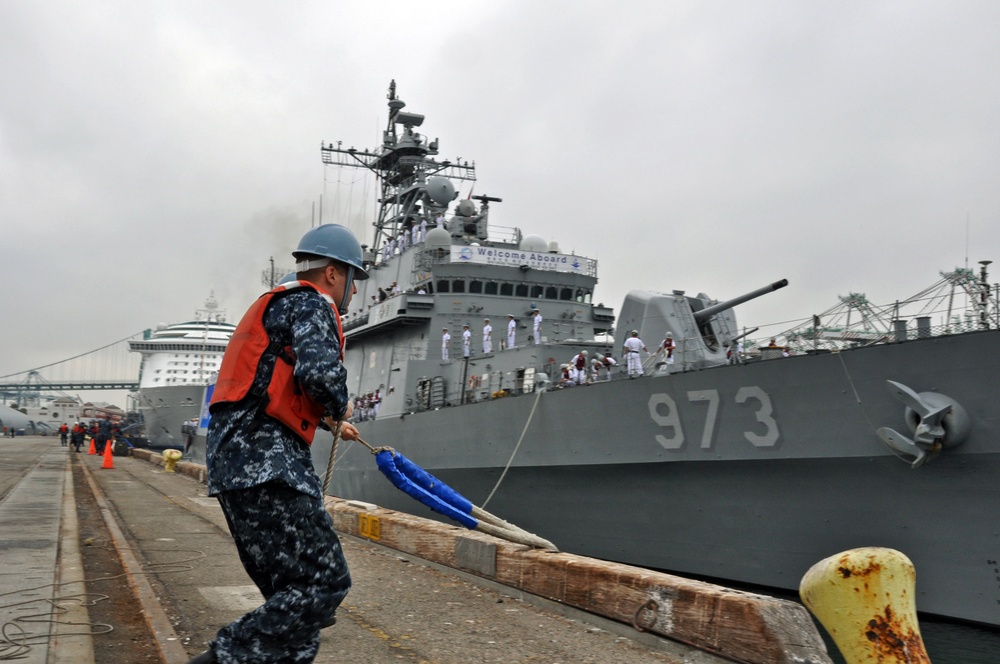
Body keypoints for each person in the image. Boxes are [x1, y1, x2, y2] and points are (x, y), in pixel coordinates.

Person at [193, 223, 366, 664]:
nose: (352, 290)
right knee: (323, 583)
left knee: (295, 608)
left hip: (234, 464)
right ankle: (221, 658)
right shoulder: (313, 303)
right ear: (332, 273)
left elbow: (274, 381)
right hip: (269, 463)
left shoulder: (275, 306)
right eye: (352, 278)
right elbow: (321, 375)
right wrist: (340, 407)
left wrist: (327, 420)